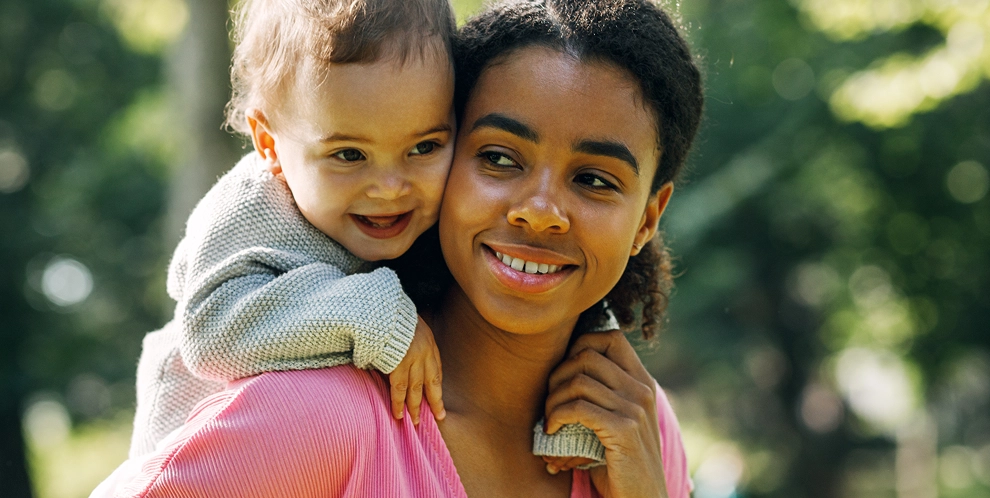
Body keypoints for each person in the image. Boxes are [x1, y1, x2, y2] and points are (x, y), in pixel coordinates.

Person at [97, 0, 705, 495]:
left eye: (594, 180)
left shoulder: (640, 430)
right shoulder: (319, 415)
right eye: (499, 158)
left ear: (648, 219)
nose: (540, 210)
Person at [128, 0, 460, 460]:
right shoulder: (251, 211)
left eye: (424, 147)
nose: (390, 188)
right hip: (195, 460)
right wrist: (375, 313)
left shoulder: (439, 215)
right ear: (269, 143)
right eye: (349, 155)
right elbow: (209, 333)